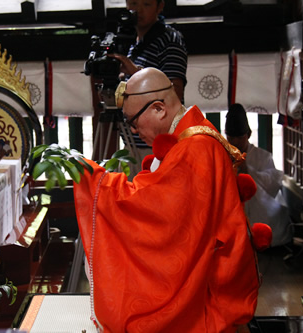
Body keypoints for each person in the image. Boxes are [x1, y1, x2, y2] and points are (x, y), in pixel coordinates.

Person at [74, 68, 260, 332]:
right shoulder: (194, 136)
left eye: (134, 122)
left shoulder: (195, 149)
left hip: (207, 298)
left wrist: (92, 180)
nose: (135, 131)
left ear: (159, 108)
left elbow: (155, 212)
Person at [109, 0, 188, 170]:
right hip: (133, 141)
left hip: (158, 144)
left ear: (160, 6)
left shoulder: (169, 39)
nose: (138, 10)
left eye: (146, 4)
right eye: (134, 3)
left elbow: (175, 92)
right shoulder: (130, 40)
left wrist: (136, 73)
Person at [225, 104, 293, 247]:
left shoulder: (263, 157)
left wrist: (248, 170)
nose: (235, 142)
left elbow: (273, 185)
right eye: (231, 138)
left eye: (239, 137)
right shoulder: (221, 155)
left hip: (260, 210)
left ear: (248, 135)